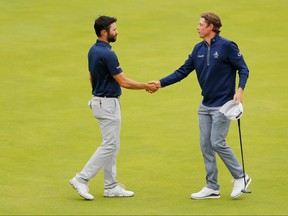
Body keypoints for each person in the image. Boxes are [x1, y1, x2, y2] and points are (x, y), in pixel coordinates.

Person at [150, 12, 251, 199]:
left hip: (223, 104)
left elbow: (243, 68)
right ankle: (212, 186)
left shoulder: (227, 46)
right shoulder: (198, 49)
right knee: (206, 145)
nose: (197, 27)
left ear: (210, 27)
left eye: (200, 24)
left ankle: (241, 176)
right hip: (205, 106)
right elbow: (182, 71)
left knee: (217, 142)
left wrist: (240, 90)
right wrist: (160, 83)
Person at [69, 15, 158, 200]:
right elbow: (123, 82)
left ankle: (111, 186)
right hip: (107, 104)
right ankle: (82, 178)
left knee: (112, 145)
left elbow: (91, 77)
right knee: (109, 145)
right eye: (114, 29)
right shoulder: (107, 54)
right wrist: (146, 86)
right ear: (104, 32)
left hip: (102, 101)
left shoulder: (93, 50)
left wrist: (98, 92)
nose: (117, 32)